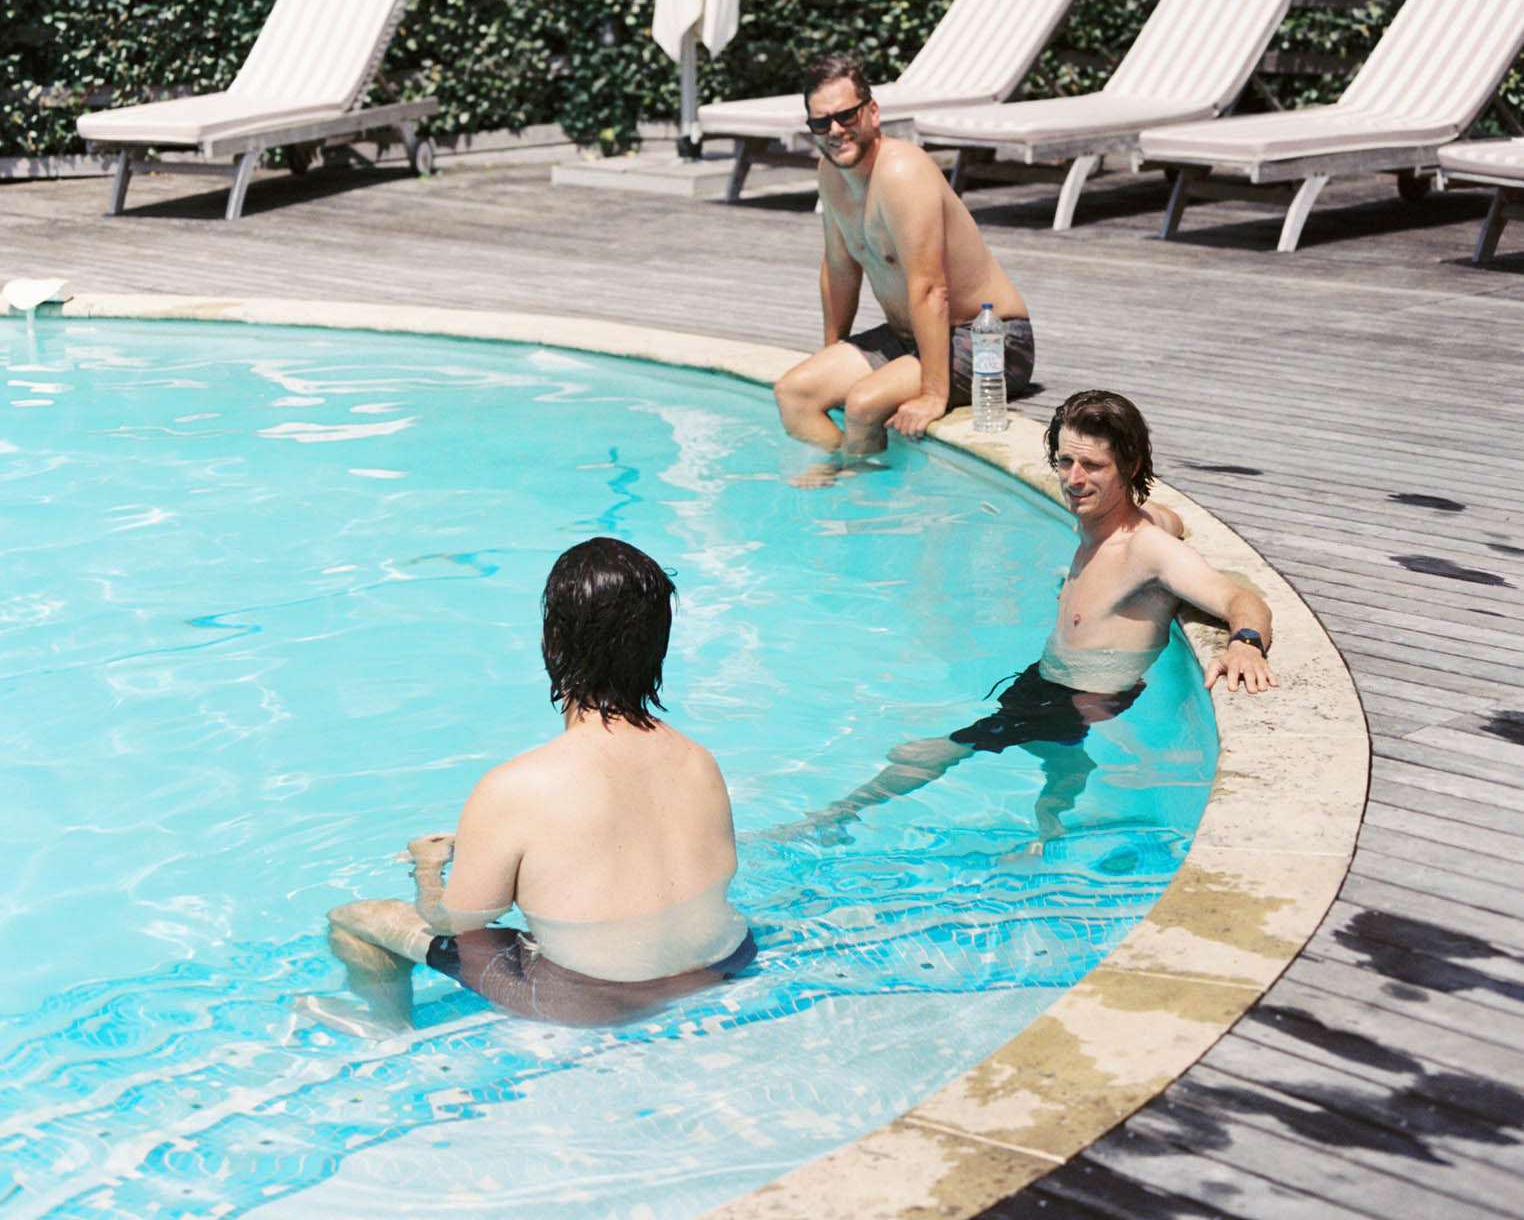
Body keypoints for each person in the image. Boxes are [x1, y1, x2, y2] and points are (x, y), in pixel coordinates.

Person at [785, 390, 1274, 844]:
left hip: (1085, 697)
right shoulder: (1113, 527)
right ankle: (1049, 833)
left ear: (1129, 465)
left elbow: (1241, 598)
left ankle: (833, 820)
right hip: (1048, 682)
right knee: (1059, 769)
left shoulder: (1148, 550)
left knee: (932, 751)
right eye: (1065, 461)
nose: (1073, 479)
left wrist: (1245, 641)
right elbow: (1167, 517)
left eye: (1092, 465)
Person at [306, 538, 753, 1034]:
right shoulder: (698, 760)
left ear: (553, 644)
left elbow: (456, 924)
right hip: (721, 966)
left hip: (591, 1001)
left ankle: (389, 1036)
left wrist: (427, 868)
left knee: (355, 919)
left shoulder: (514, 788)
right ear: (659, 646)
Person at [773, 51, 1035, 484]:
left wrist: (934, 394)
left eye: (846, 116)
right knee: (794, 394)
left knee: (862, 403)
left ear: (872, 112)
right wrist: (832, 350)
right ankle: (855, 469)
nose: (835, 131)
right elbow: (839, 268)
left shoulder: (902, 170)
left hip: (988, 338)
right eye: (821, 123)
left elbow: (932, 289)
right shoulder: (831, 173)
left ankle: (861, 487)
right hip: (908, 337)